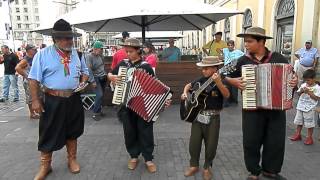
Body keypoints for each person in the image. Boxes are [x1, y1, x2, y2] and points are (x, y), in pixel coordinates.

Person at [226, 27, 298, 180]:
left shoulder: (279, 58)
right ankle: (254, 171)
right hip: (252, 109)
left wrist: (293, 81)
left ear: (262, 42)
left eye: (249, 41)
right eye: (245, 41)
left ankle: (270, 170)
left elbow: (292, 79)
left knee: (275, 140)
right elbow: (225, 75)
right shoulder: (243, 60)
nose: (246, 44)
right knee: (251, 140)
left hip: (276, 109)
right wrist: (232, 81)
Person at [28, 19, 89, 180]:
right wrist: (35, 100)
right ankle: (45, 165)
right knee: (48, 132)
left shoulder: (78, 54)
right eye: (66, 38)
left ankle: (72, 159)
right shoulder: (42, 55)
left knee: (73, 130)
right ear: (56, 39)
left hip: (73, 98)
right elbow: (33, 79)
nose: (70, 41)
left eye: (71, 37)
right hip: (52, 100)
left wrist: (83, 80)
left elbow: (85, 71)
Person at [108, 38, 169, 173]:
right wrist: (110, 77)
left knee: (145, 131)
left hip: (143, 106)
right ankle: (134, 156)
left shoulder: (146, 66)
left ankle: (148, 158)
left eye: (130, 51)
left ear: (138, 51)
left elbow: (155, 87)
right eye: (126, 51)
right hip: (126, 105)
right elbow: (111, 73)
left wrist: (163, 101)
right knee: (129, 132)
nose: (127, 54)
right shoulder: (123, 64)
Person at [182, 56, 230, 180]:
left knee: (211, 145)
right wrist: (185, 93)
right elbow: (188, 85)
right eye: (202, 68)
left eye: (206, 69)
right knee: (194, 143)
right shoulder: (200, 80)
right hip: (197, 116)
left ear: (215, 68)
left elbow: (227, 95)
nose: (203, 71)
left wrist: (219, 83)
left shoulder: (221, 79)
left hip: (213, 117)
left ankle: (207, 167)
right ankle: (193, 165)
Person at [290, 69, 320, 145]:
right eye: (306, 80)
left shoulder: (317, 88)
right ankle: (298, 134)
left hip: (310, 108)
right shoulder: (303, 85)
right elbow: (298, 93)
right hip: (301, 106)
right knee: (299, 121)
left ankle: (309, 137)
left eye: (309, 80)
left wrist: (309, 92)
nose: (307, 82)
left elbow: (317, 98)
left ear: (314, 79)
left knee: (309, 123)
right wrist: (302, 91)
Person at [15, 44, 39, 119]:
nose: (35, 50)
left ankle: (36, 112)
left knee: (36, 95)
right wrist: (26, 76)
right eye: (34, 49)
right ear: (29, 50)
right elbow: (17, 68)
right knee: (30, 97)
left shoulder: (33, 57)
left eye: (35, 49)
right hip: (29, 81)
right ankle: (32, 113)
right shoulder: (26, 59)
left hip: (34, 80)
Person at [85, 40, 107, 120]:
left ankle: (99, 110)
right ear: (95, 49)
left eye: (102, 49)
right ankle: (95, 113)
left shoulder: (101, 56)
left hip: (103, 77)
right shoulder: (89, 56)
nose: (102, 50)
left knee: (101, 96)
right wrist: (92, 81)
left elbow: (102, 66)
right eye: (101, 49)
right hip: (95, 78)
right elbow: (88, 69)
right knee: (99, 95)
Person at [222, 40, 244, 106]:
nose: (230, 46)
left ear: (234, 46)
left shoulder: (238, 52)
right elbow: (218, 50)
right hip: (226, 70)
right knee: (227, 85)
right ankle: (227, 101)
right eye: (229, 45)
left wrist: (238, 61)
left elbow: (244, 56)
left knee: (234, 86)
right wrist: (222, 56)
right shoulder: (225, 50)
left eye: (231, 45)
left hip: (235, 70)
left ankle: (234, 100)